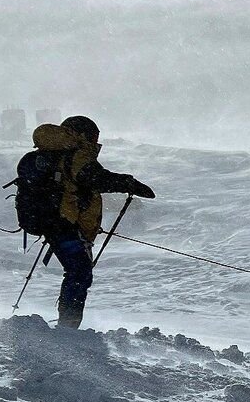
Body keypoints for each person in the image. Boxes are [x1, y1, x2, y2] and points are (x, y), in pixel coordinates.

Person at [24, 115, 155, 329]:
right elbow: (95, 178)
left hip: (54, 222)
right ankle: (68, 328)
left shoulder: (54, 156)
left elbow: (80, 188)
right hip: (66, 224)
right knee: (79, 273)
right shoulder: (77, 155)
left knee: (77, 272)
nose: (96, 142)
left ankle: (68, 325)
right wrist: (128, 183)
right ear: (83, 134)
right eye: (94, 136)